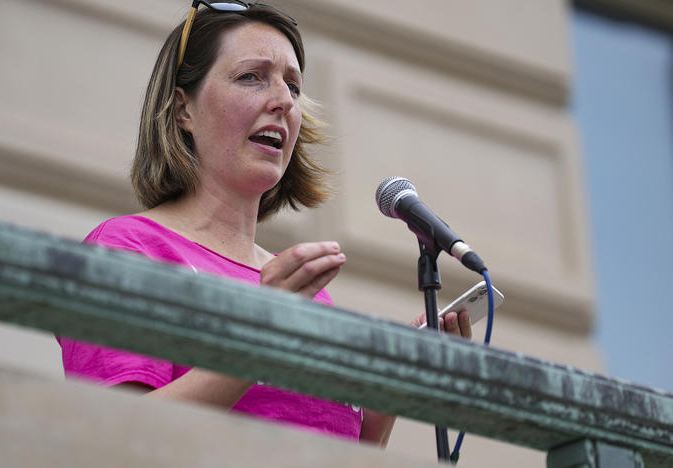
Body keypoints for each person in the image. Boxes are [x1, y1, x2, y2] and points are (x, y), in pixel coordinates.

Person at [57, 1, 472, 447]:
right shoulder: (128, 248)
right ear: (183, 109)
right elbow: (112, 440)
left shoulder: (302, 290)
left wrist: (396, 386)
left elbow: (341, 450)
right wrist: (258, 336)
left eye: (293, 86)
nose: (283, 101)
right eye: (251, 76)